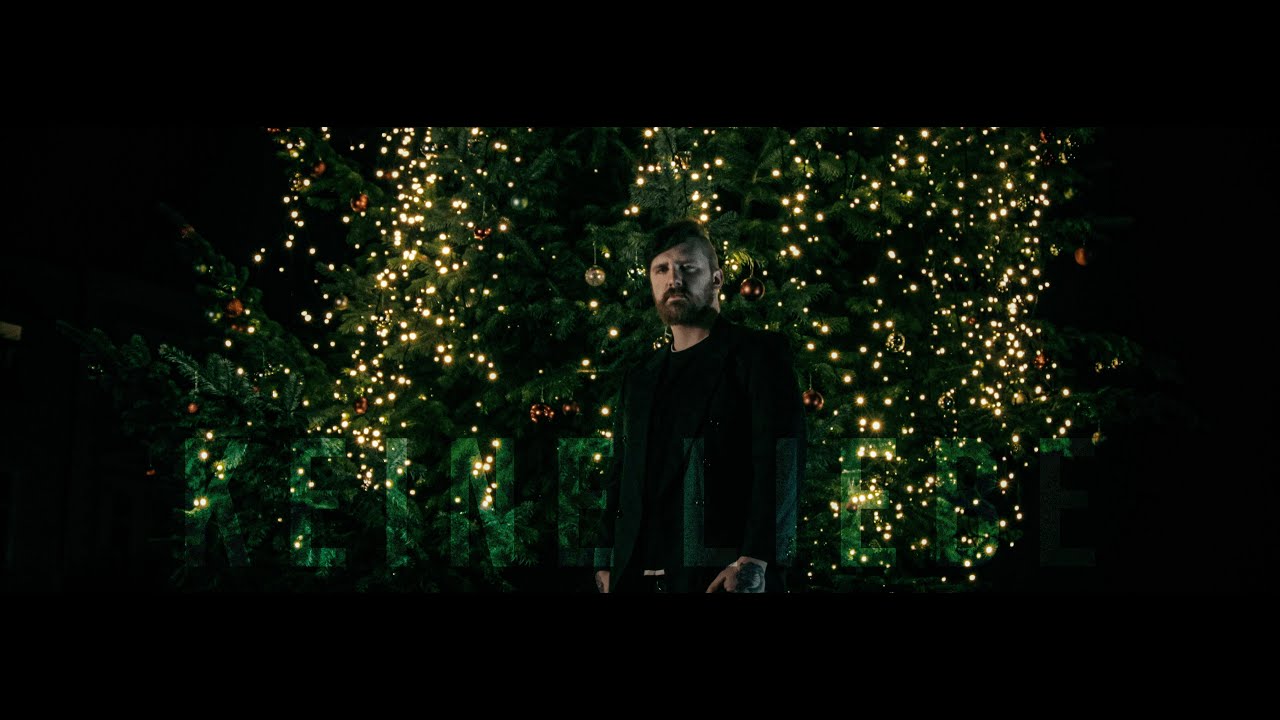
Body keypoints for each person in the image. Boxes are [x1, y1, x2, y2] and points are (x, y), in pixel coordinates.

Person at [593, 219, 804, 593]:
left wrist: (754, 560)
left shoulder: (758, 355)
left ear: (717, 279)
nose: (674, 279)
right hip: (634, 578)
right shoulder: (639, 377)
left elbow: (782, 461)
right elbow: (620, 473)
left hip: (720, 578)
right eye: (662, 269)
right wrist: (605, 561)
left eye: (688, 268)